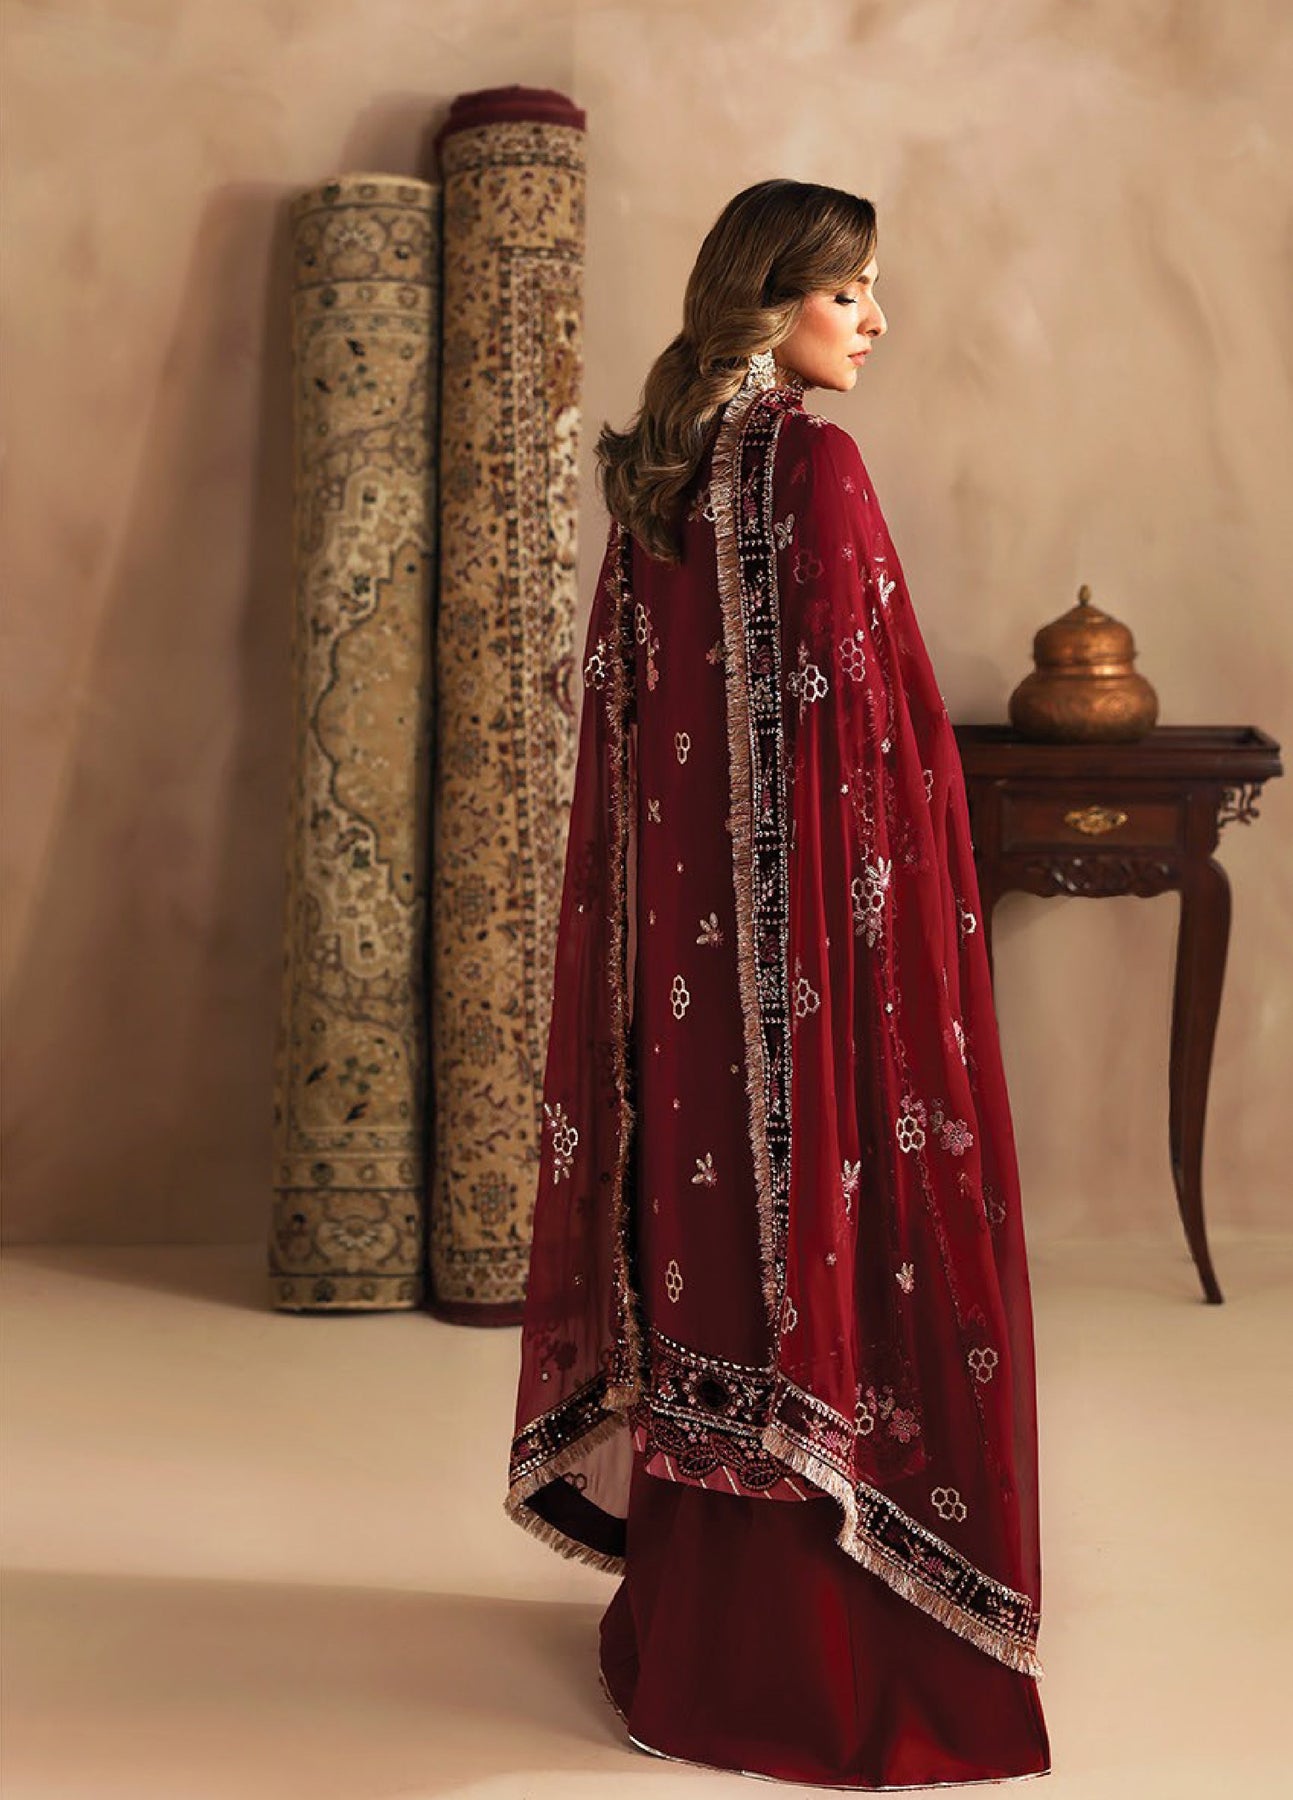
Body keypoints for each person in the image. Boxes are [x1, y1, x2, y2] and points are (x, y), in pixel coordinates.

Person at [506, 178, 1051, 1789]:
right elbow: (866, 726)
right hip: (809, 970)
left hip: (686, 985)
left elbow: (630, 739)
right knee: (830, 1244)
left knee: (712, 1260)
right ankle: (833, 1658)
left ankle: (698, 1643)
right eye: (847, 290)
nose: (874, 320)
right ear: (769, 297)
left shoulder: (665, 473)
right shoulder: (809, 465)